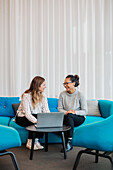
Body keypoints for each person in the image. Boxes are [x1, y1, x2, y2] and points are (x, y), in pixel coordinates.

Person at [15, 76, 50, 150]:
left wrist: (49, 119)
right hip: (22, 117)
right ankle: (30, 141)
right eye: (44, 85)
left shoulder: (43, 95)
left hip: (35, 116)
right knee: (38, 119)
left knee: (42, 119)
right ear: (38, 85)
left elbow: (46, 110)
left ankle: (36, 140)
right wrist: (37, 121)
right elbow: (27, 113)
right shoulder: (26, 96)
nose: (45, 87)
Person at [58, 74, 87, 152]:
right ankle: (66, 141)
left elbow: (85, 111)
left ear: (73, 83)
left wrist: (74, 112)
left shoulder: (80, 94)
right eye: (64, 83)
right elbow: (60, 109)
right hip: (67, 116)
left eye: (67, 83)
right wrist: (67, 112)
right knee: (66, 117)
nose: (65, 85)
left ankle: (69, 142)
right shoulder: (62, 94)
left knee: (70, 116)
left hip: (78, 117)